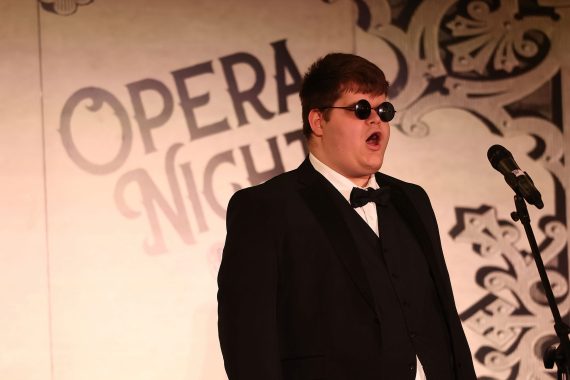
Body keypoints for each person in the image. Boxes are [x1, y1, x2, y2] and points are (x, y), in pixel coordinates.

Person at [217, 53, 477, 380]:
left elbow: (446, 319)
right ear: (318, 121)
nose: (376, 121)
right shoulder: (265, 207)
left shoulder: (412, 200)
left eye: (384, 111)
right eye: (361, 110)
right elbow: (249, 346)